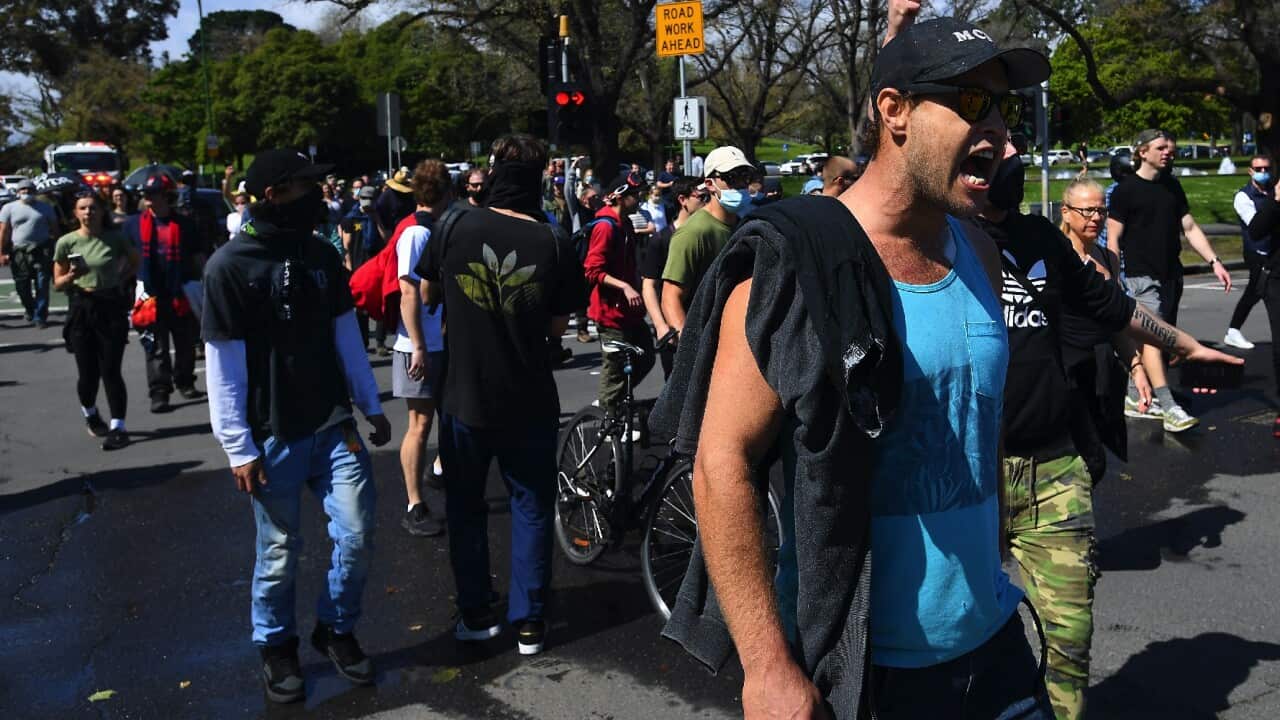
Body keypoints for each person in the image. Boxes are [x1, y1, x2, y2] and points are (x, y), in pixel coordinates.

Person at [654, 15, 1058, 718]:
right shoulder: (798, 267)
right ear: (893, 111)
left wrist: (995, 555)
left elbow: (980, 418)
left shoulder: (982, 252)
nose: (999, 132)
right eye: (971, 103)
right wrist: (767, 667)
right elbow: (722, 465)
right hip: (868, 668)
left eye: (1002, 108)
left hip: (993, 640)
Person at [203, 149, 391, 704]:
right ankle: (276, 645)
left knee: (356, 536)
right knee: (280, 550)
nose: (316, 196)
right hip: (271, 435)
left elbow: (345, 334)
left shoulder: (320, 255)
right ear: (269, 195)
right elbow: (224, 364)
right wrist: (238, 446)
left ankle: (336, 628)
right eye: (302, 188)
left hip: (333, 425)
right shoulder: (228, 268)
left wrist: (369, 402)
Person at [418, 133, 585, 657]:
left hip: (464, 395)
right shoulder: (554, 239)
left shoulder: (453, 225)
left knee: (466, 506)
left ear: (492, 172)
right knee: (531, 505)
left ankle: (474, 612)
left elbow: (426, 292)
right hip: (529, 396)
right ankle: (530, 622)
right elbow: (558, 327)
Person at [1107, 129, 1231, 432]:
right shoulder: (1126, 190)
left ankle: (1135, 395)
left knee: (1159, 342)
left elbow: (1189, 228)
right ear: (1142, 151)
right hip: (1141, 277)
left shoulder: (1172, 187)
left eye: (1170, 148)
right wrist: (1112, 278)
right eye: (1161, 147)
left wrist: (1214, 261)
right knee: (1153, 337)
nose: (1168, 152)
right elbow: (1113, 238)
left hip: (1171, 274)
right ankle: (1168, 405)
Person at [52, 191, 139, 451]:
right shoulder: (66, 242)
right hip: (81, 308)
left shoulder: (116, 239)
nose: (88, 212)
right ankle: (90, 413)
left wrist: (122, 279)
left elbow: (135, 261)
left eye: (93, 208)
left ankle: (118, 427)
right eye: (83, 208)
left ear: (102, 211)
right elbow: (57, 283)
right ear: (75, 213)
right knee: (88, 374)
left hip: (110, 307)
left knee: (111, 370)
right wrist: (71, 276)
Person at [392, 160, 450, 537]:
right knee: (420, 424)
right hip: (418, 344)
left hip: (444, 340)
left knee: (454, 417)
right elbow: (407, 291)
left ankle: (441, 472)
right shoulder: (414, 234)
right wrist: (418, 345)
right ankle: (414, 503)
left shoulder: (443, 228)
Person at [123, 174, 206, 412]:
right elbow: (125, 260)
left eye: (155, 195)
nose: (149, 200)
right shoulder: (132, 225)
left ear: (167, 197)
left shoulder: (186, 224)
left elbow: (199, 257)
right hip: (150, 293)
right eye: (146, 195)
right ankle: (159, 392)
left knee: (185, 342)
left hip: (180, 291)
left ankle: (185, 381)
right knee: (155, 346)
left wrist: (207, 281)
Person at [660, 146, 753, 335]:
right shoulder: (693, 232)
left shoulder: (749, 223)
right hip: (707, 339)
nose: (741, 184)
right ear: (710, 184)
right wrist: (690, 348)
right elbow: (671, 297)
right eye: (731, 177)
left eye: (745, 176)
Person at [585, 175, 656, 414]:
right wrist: (624, 286)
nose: (639, 200)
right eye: (635, 195)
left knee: (645, 357)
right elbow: (593, 271)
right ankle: (610, 417)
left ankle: (613, 401)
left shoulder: (623, 223)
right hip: (609, 313)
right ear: (619, 196)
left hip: (629, 311)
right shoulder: (605, 226)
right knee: (615, 367)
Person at [640, 177, 705, 379]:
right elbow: (649, 286)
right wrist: (660, 326)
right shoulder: (661, 240)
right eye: (701, 197)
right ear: (682, 200)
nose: (706, 201)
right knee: (677, 383)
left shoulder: (708, 234)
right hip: (673, 328)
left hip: (704, 321)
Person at [1223, 155, 1276, 349]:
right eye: (1259, 169)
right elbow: (1256, 225)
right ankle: (1233, 330)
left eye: (1266, 169)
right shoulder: (1244, 196)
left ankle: (1233, 330)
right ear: (1250, 171)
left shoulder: (1273, 191)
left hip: (1273, 251)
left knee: (1257, 292)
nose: (1263, 173)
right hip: (1257, 252)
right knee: (1257, 290)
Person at [0, 179, 58, 327]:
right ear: (18, 192)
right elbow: (4, 231)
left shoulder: (45, 208)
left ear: (35, 192)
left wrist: (57, 248)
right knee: (22, 285)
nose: (26, 193)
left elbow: (55, 229)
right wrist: (2, 252)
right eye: (23, 190)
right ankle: (30, 309)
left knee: (42, 283)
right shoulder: (9, 208)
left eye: (29, 190)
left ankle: (40, 316)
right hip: (19, 251)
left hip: (41, 249)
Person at [340, 186, 387, 352]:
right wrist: (350, 268)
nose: (368, 204)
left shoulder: (379, 216)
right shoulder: (351, 219)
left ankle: (380, 343)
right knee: (361, 307)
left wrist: (377, 220)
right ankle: (363, 342)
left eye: (371, 201)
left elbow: (386, 240)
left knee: (380, 303)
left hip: (376, 265)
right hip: (359, 266)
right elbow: (346, 245)